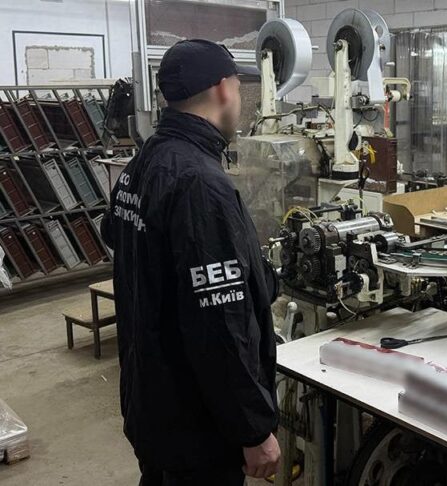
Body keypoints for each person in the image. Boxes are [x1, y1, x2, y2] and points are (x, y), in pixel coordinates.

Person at [101, 39, 281, 485]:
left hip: (151, 405)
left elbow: (114, 233)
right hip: (198, 427)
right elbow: (219, 325)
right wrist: (253, 428)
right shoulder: (200, 183)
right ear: (222, 88)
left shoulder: (143, 162)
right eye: (238, 86)